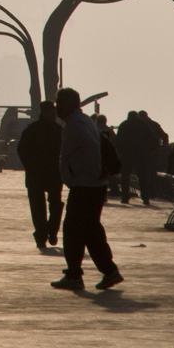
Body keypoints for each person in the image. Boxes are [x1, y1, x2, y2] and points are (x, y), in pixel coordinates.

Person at [53, 87, 122, 291]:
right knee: (91, 230)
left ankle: (75, 274)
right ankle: (109, 270)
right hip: (91, 184)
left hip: (85, 185)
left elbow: (92, 146)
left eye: (59, 104)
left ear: (69, 104)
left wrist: (93, 171)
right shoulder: (84, 121)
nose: (57, 108)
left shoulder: (75, 124)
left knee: (73, 229)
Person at [16, 100, 64, 250]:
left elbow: (21, 150)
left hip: (37, 174)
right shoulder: (58, 130)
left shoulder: (32, 129)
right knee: (54, 203)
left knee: (39, 206)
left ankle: (42, 234)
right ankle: (50, 231)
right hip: (53, 173)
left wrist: (29, 167)